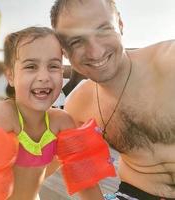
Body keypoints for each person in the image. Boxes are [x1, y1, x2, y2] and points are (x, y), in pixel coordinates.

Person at [0, 27, 116, 200]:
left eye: (53, 66)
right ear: (10, 75)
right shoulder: (4, 115)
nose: (44, 76)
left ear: (62, 72)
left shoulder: (61, 122)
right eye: (31, 66)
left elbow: (86, 184)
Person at [50, 0, 175, 199]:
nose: (95, 52)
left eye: (103, 30)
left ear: (121, 26)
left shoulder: (169, 63)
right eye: (76, 41)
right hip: (136, 193)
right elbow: (70, 169)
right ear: (65, 53)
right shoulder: (78, 106)